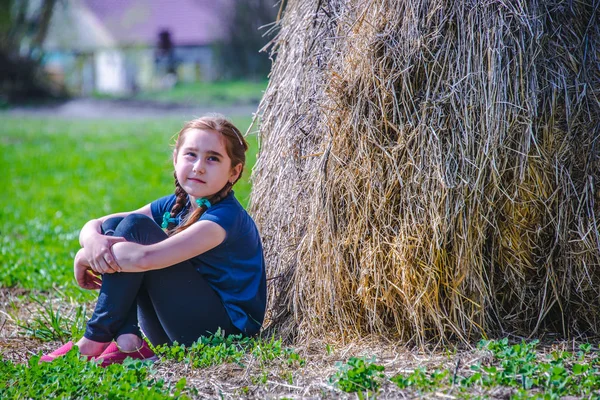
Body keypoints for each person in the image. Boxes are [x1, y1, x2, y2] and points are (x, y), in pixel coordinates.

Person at [40, 115, 267, 366]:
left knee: (136, 227)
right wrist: (92, 239)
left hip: (221, 335)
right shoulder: (175, 205)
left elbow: (146, 258)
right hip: (174, 328)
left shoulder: (225, 218)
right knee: (117, 227)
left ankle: (96, 337)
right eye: (191, 154)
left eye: (212, 158)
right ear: (175, 158)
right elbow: (101, 224)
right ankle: (128, 341)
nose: (199, 166)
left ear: (234, 172)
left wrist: (87, 256)